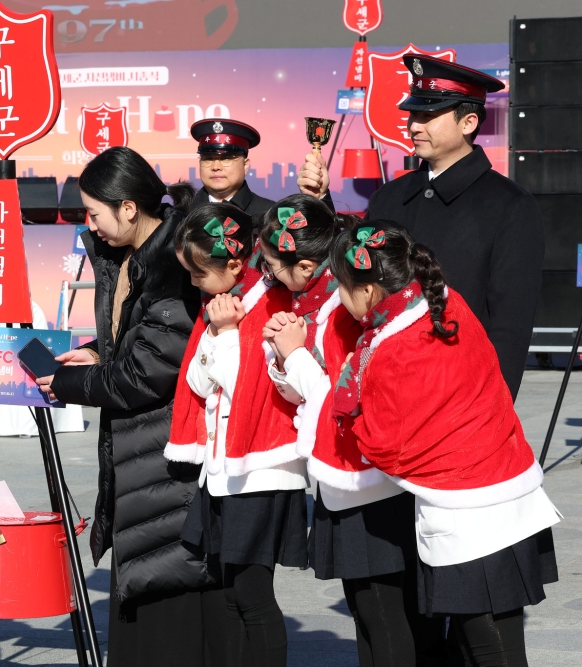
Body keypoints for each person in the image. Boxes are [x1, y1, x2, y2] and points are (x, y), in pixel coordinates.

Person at [34, 147, 242, 666]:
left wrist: (69, 383)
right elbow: (136, 341)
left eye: (93, 213)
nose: (89, 225)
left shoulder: (176, 264)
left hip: (168, 451)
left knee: (167, 583)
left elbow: (147, 373)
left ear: (128, 208)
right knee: (147, 580)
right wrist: (96, 352)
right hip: (139, 449)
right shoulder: (125, 254)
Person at [329, 221, 560, 665]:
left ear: (369, 290)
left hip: (466, 507)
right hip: (503, 484)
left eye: (342, 285)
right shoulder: (443, 303)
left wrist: (352, 409)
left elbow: (387, 446)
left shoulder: (395, 345)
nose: (339, 296)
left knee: (490, 647)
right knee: (488, 644)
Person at [259, 201, 444, 666]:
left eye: (272, 267)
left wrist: (294, 355)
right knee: (375, 612)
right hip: (351, 474)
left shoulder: (342, 308)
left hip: (365, 475)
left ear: (305, 266)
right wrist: (284, 357)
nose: (268, 277)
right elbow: (305, 393)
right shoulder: (318, 303)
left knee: (382, 612)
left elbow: (340, 399)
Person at [297, 57, 543, 399]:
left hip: (456, 394)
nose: (414, 126)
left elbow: (510, 328)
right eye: (413, 114)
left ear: (469, 122)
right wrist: (321, 200)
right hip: (380, 386)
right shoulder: (389, 197)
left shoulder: (510, 206)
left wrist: (490, 408)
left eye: (428, 115)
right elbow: (354, 274)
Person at [168, 201, 307, 667]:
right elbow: (197, 381)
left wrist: (224, 331)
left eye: (198, 273)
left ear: (233, 264)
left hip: (261, 466)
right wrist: (217, 330)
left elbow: (246, 385)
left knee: (252, 594)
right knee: (228, 591)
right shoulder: (222, 305)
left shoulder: (270, 302)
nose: (194, 283)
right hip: (223, 465)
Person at [190, 118, 275, 215]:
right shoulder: (182, 214)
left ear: (245, 165)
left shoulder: (270, 215)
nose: (216, 167)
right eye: (208, 159)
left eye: (226, 159)